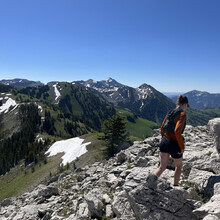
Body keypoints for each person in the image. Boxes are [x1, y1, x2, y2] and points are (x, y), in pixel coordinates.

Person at [154, 95, 190, 186]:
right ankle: (175, 186)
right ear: (185, 104)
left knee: (162, 167)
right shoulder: (182, 114)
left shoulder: (170, 112)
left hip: (164, 141)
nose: (186, 108)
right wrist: (182, 146)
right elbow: (177, 131)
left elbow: (162, 127)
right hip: (174, 143)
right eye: (187, 106)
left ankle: (149, 183)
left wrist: (164, 139)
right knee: (178, 166)